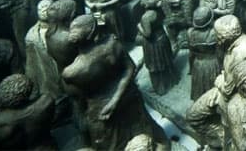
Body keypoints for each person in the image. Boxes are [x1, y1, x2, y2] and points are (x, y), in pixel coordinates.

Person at [62, 14, 167, 150]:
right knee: (142, 129)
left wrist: (111, 102)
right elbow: (130, 67)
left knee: (112, 143)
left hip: (102, 109)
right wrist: (115, 100)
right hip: (127, 96)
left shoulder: (71, 72)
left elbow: (78, 98)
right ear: (94, 32)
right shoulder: (112, 43)